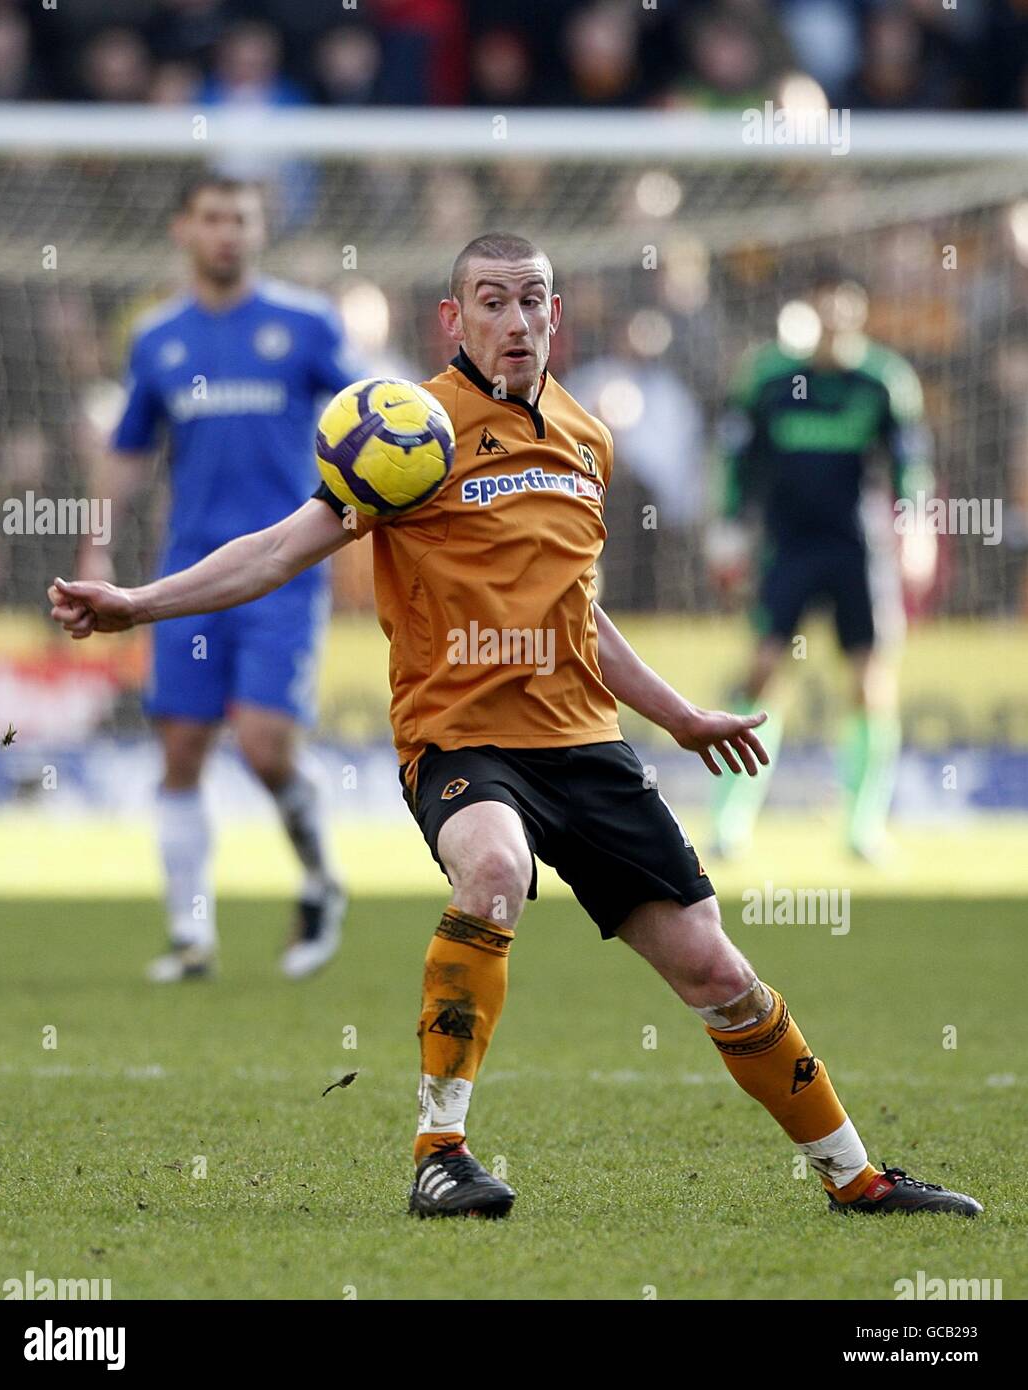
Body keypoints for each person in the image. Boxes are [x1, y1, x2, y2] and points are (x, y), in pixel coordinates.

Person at [52, 233, 979, 1220]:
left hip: (582, 743)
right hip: (461, 737)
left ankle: (856, 1175)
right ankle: (439, 1151)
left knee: (714, 964)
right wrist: (138, 605)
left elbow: (578, 611)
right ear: (453, 319)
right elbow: (283, 546)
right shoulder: (411, 430)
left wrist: (674, 714)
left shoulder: (585, 437)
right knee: (493, 873)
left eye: (532, 301)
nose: (516, 320)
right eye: (491, 302)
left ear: (554, 314)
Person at [76, 176, 360, 982]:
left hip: (284, 571)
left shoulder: (306, 324)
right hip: (190, 573)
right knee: (183, 749)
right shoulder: (159, 338)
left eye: (242, 217)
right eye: (213, 218)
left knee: (268, 749)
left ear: (260, 228)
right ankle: (190, 933)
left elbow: (368, 415)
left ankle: (318, 880)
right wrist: (95, 545)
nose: (228, 233)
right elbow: (129, 447)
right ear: (185, 230)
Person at [708, 264, 935, 861]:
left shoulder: (882, 381)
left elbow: (911, 463)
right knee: (761, 673)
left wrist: (917, 528)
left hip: (858, 549)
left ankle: (862, 826)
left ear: (859, 310)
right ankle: (730, 820)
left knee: (869, 681)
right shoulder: (770, 380)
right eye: (824, 304)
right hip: (789, 547)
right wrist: (729, 524)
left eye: (845, 305)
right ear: (809, 309)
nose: (835, 317)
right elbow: (739, 457)